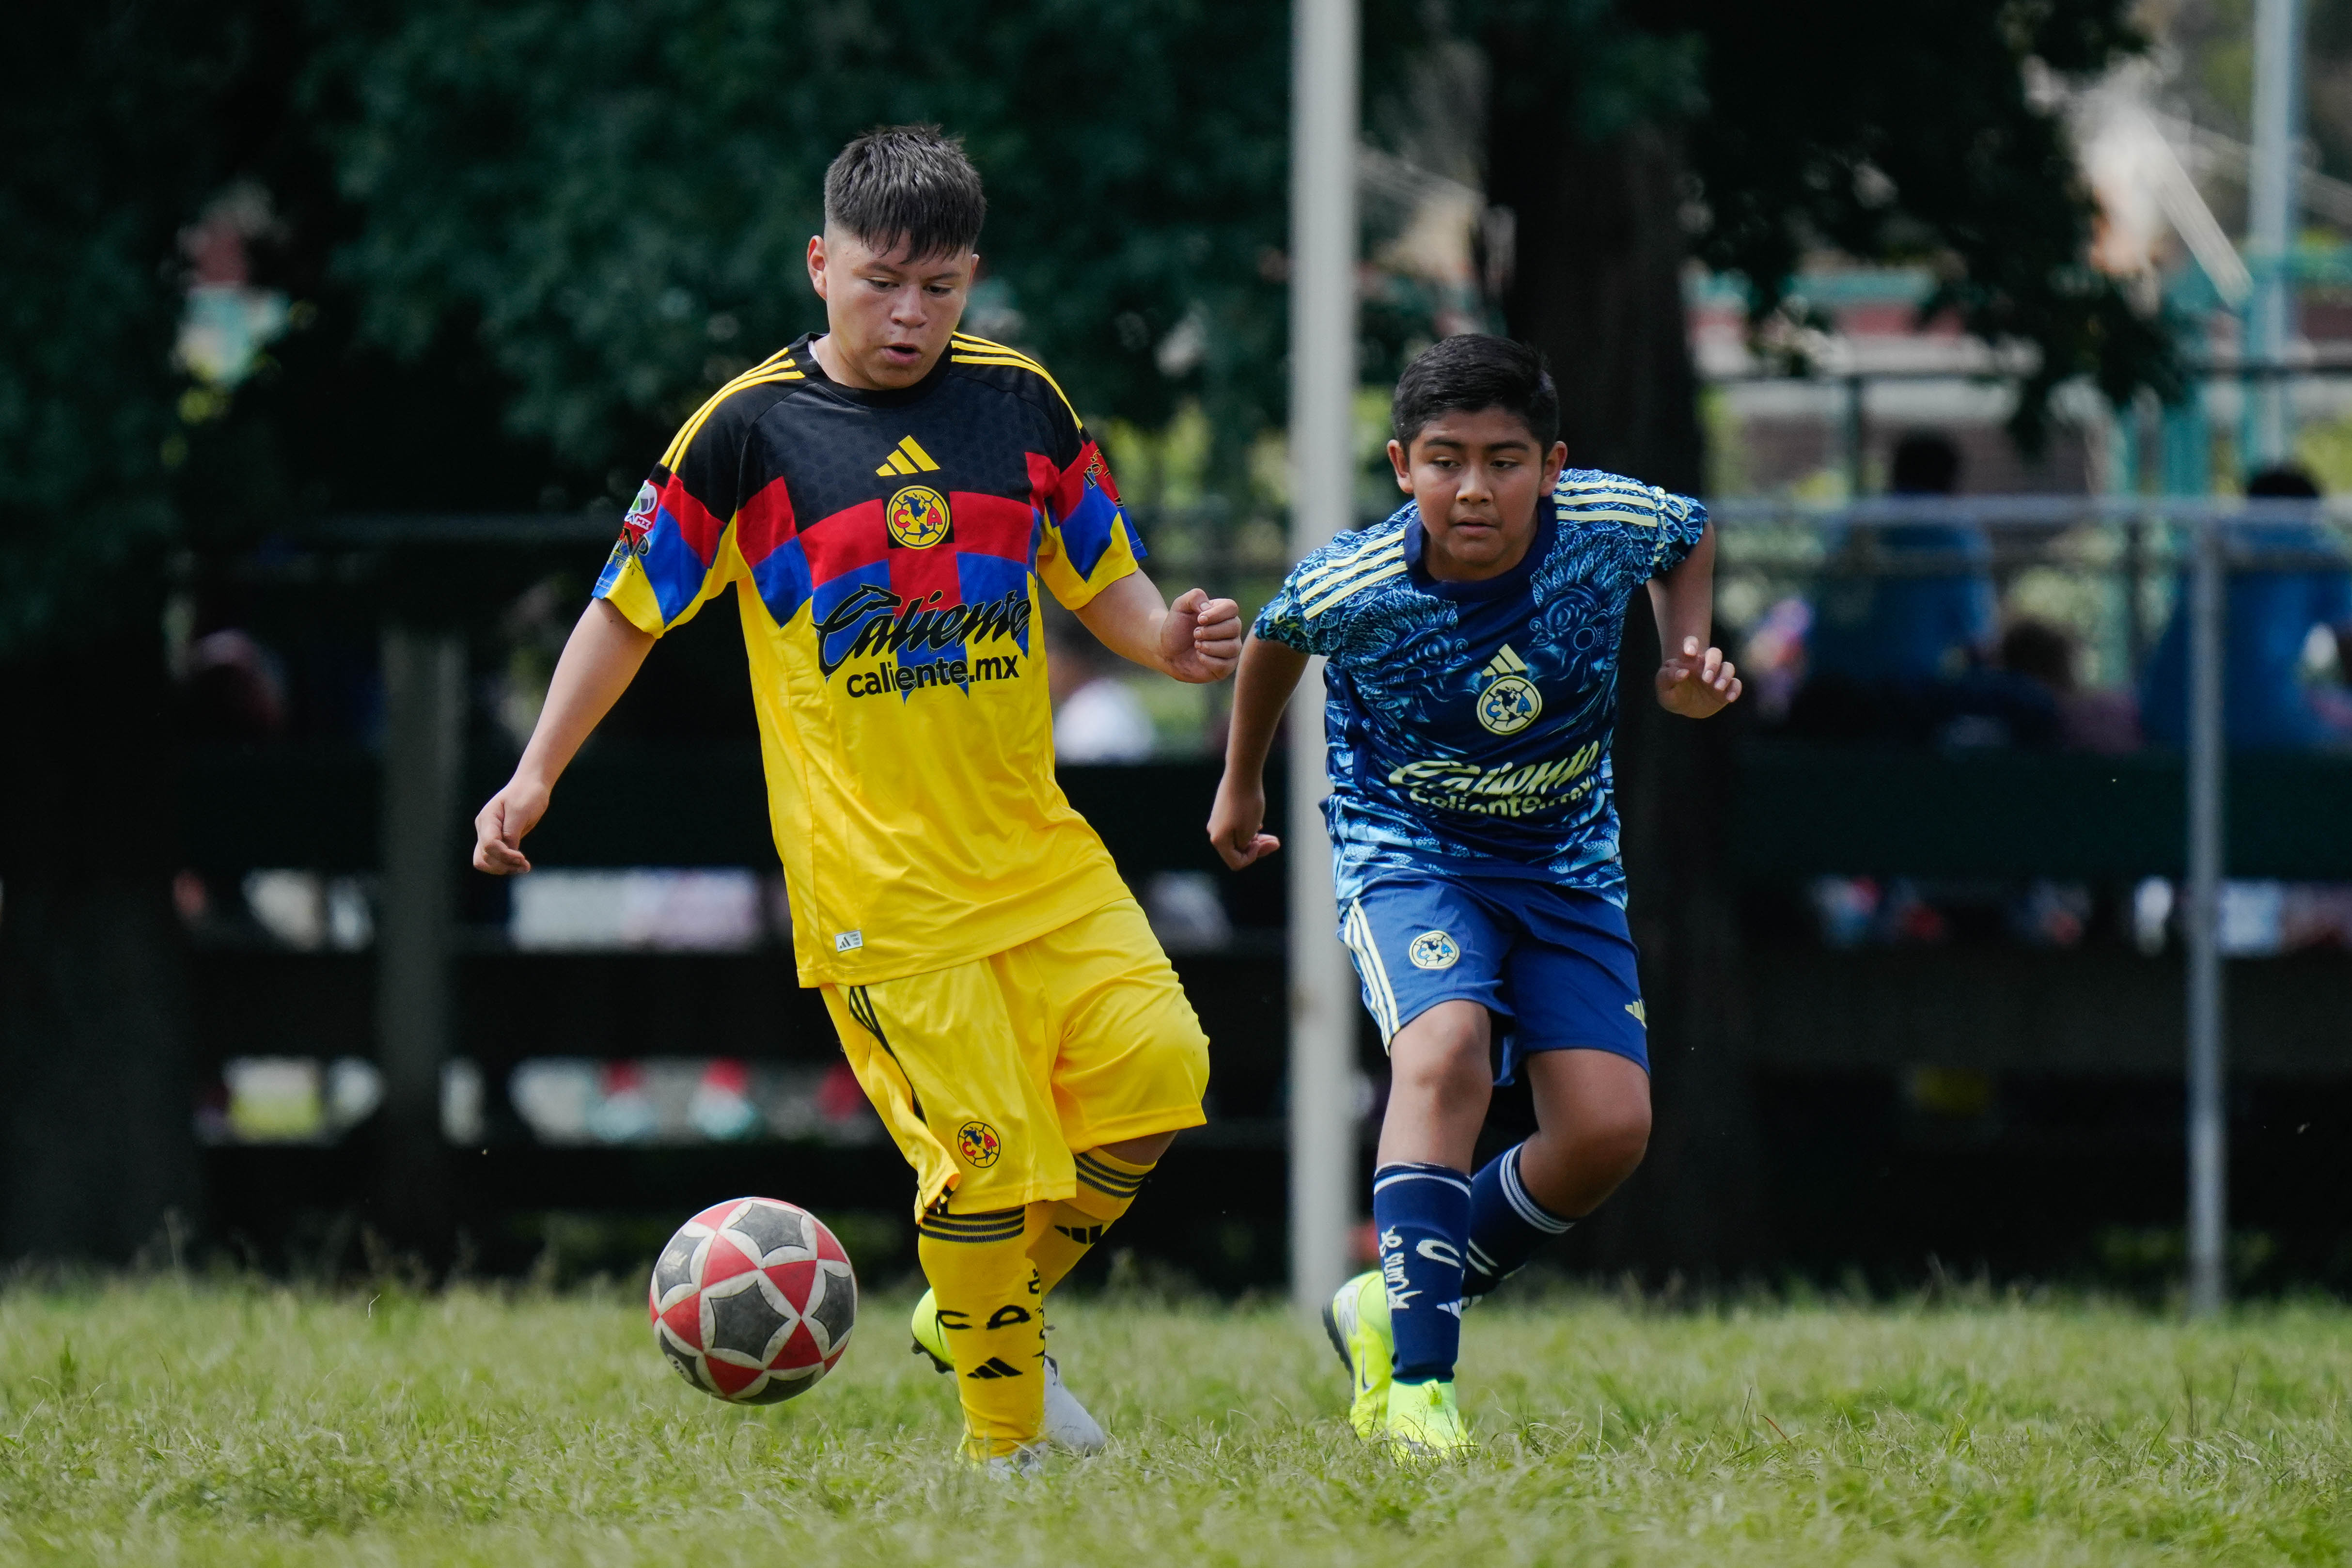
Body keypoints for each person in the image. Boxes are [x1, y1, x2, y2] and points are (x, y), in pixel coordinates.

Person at [472, 125, 1239, 1471]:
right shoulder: (745, 435)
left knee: (1162, 1073)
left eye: (939, 289)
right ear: (819, 264)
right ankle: (1004, 1456)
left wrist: (1163, 641)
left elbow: (1100, 577)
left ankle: (973, 1308)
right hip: (882, 895)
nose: (909, 315)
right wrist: (534, 776)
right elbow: (625, 612)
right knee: (988, 1167)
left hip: (1040, 859)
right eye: (882, 281)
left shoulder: (1024, 407)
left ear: (971, 281)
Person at [1206, 335, 1740, 1456]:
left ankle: (1381, 1306)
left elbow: (1689, 533)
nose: (1474, 488)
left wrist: (1682, 658)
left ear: (1552, 467)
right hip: (1410, 852)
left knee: (1605, 1132)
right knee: (1441, 1052)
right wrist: (1241, 782)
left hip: (1563, 862)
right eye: (1445, 460)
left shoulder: (1600, 525)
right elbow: (1272, 640)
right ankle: (1420, 1391)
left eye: (1504, 461)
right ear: (1402, 466)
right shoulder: (1356, 580)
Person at [2141, 465, 2352, 751]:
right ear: (2311, 511)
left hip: (2163, 715)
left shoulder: (2206, 543)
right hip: (2262, 724)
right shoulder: (2317, 551)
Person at [1804, 431, 1996, 687]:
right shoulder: (1953, 532)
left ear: (1896, 472)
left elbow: (1816, 615)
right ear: (1951, 479)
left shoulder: (1852, 524)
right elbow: (1977, 641)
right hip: (1906, 697)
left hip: (1826, 690)